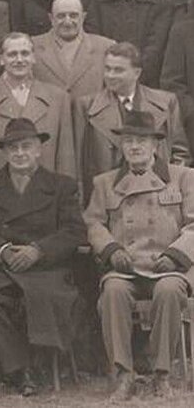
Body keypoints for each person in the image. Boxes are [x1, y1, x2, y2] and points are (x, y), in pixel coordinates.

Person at [0, 117, 86, 397]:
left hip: (46, 268)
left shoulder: (62, 186)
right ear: (4, 152)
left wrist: (38, 251)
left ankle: (36, 364)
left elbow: (74, 230)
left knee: (45, 296)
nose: (19, 153)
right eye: (13, 148)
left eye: (26, 146)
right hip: (0, 266)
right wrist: (2, 250)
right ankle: (20, 370)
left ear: (39, 149)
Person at [84, 110, 194, 400]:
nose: (135, 147)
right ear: (121, 146)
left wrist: (175, 254)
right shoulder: (104, 183)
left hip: (169, 267)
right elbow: (93, 222)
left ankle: (162, 374)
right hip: (127, 268)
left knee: (169, 291)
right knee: (112, 291)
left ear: (155, 146)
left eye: (142, 141)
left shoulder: (183, 177)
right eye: (129, 141)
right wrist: (111, 248)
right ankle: (124, 373)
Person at [0, 33, 75, 207]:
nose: (19, 59)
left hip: (45, 204)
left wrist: (67, 201)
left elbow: (65, 158)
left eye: (25, 53)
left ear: (34, 57)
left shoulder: (58, 98)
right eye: (12, 54)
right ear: (1, 59)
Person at [76, 42, 188, 193]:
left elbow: (180, 153)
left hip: (158, 195)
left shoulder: (166, 103)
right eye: (107, 69)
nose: (110, 75)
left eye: (118, 70)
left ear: (137, 73)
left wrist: (173, 189)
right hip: (110, 197)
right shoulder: (87, 107)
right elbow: (79, 163)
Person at [85, 0, 173, 85]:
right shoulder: (98, 6)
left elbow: (154, 51)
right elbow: (95, 46)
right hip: (106, 81)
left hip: (145, 82)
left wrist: (132, 78)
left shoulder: (158, 7)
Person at [30, 0, 113, 100]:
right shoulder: (32, 47)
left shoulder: (106, 47)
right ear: (51, 18)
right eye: (61, 16)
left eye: (73, 16)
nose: (67, 22)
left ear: (83, 17)